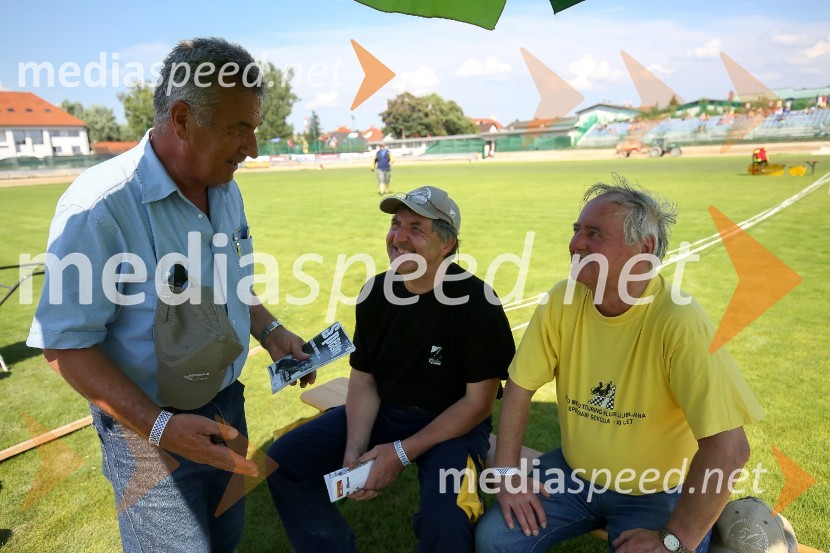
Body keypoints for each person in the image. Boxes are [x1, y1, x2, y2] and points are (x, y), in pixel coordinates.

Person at [26, 37, 313, 553]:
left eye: (254, 126)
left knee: (226, 538)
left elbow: (230, 284)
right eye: (238, 127)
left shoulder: (224, 186)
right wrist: (160, 427)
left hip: (227, 407)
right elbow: (65, 346)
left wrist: (271, 331)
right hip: (146, 437)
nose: (252, 146)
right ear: (182, 119)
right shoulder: (100, 207)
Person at [475, 179, 764, 553]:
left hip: (657, 491)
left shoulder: (678, 320)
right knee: (494, 538)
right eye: (577, 230)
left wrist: (675, 540)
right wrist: (507, 472)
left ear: (645, 247)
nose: (576, 244)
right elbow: (519, 386)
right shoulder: (563, 299)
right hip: (573, 474)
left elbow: (729, 449)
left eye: (594, 234)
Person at [267, 186, 516, 552]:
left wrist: (399, 453)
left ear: (447, 244)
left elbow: (477, 404)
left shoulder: (478, 303)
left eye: (416, 228)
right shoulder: (375, 293)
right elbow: (364, 379)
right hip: (387, 413)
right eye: (396, 224)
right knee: (283, 461)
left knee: (446, 519)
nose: (398, 237)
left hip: (454, 429)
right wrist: (354, 450)